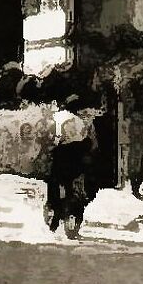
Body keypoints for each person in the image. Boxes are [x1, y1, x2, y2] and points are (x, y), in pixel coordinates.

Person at [45, 91, 94, 238]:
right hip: (76, 156)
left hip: (66, 155)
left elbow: (53, 139)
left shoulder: (59, 118)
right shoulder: (81, 122)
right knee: (73, 189)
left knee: (59, 186)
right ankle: (69, 218)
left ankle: (58, 215)